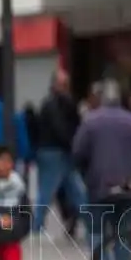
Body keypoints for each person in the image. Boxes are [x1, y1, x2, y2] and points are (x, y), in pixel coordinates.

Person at [72, 79, 131, 251]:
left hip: (99, 185)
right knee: (124, 232)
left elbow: (78, 152)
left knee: (97, 229)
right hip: (128, 184)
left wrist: (86, 174)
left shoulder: (90, 121)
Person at [32, 69, 88, 237]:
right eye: (63, 83)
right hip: (55, 151)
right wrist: (73, 143)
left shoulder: (54, 103)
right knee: (52, 190)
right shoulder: (54, 104)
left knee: (74, 190)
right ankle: (37, 226)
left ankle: (90, 221)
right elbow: (60, 128)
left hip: (55, 151)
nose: (65, 87)